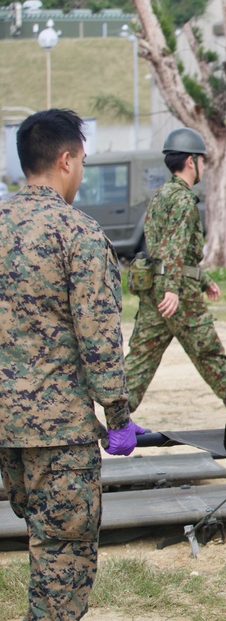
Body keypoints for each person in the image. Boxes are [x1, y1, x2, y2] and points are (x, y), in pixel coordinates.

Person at [0, 109, 143, 620]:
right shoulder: (77, 233)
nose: (80, 171)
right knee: (62, 556)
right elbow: (99, 340)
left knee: (39, 536)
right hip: (59, 433)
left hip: (6, 430)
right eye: (81, 160)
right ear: (66, 160)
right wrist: (119, 416)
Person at [123, 127, 226, 412]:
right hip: (177, 294)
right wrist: (172, 289)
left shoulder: (161, 195)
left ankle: (118, 421)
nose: (204, 166)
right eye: (202, 160)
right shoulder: (184, 200)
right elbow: (174, 246)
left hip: (154, 290)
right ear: (190, 161)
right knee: (210, 356)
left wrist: (203, 279)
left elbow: (164, 249)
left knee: (140, 359)